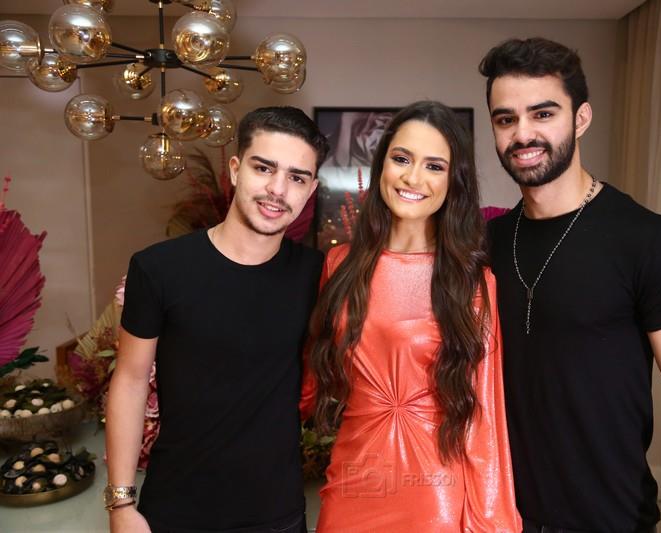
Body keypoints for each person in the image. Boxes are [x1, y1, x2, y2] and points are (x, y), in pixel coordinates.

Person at [479, 38, 661, 533]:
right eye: (506, 119)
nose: (523, 133)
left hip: (612, 518)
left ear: (581, 118)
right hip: (501, 517)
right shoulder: (489, 241)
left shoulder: (646, 238)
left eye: (543, 113)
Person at [105, 106, 329, 533]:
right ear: (235, 169)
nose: (278, 189)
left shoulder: (317, 275)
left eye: (297, 178)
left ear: (311, 189)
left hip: (276, 515)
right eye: (264, 168)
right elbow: (130, 381)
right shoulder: (158, 269)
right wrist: (120, 503)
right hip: (174, 511)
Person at [302, 101, 521, 532]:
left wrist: (490, 523)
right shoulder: (339, 265)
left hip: (432, 495)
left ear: (452, 182)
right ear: (382, 164)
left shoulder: (471, 283)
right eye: (402, 159)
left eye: (434, 166)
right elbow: (307, 386)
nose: (413, 178)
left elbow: (483, 418)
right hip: (350, 483)